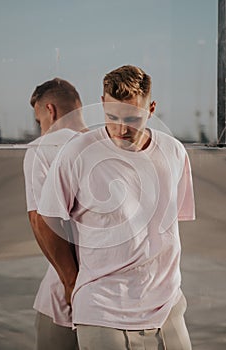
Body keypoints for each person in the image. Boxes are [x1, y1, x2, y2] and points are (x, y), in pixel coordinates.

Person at [37, 65, 195, 350]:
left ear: (152, 108)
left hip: (167, 303)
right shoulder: (77, 153)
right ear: (103, 105)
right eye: (112, 117)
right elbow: (46, 220)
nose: (122, 129)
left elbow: (167, 225)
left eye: (133, 118)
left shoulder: (174, 151)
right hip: (101, 307)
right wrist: (72, 283)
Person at [23, 78, 88, 350]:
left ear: (50, 110)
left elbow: (40, 219)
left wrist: (70, 283)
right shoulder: (106, 145)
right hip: (112, 301)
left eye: (39, 121)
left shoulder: (43, 148)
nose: (41, 129)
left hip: (65, 298)